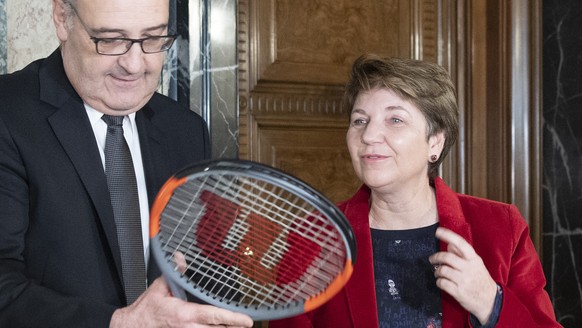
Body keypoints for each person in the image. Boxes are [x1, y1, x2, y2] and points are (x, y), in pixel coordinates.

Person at [0, 0, 253, 327]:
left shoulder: (186, 130)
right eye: (111, 40)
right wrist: (120, 323)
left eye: (153, 38)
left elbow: (207, 270)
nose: (135, 65)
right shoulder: (8, 115)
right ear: (62, 18)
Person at [269, 55, 561, 327]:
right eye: (359, 120)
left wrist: (490, 302)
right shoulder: (314, 235)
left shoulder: (501, 227)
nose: (368, 135)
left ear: (435, 142)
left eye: (395, 120)